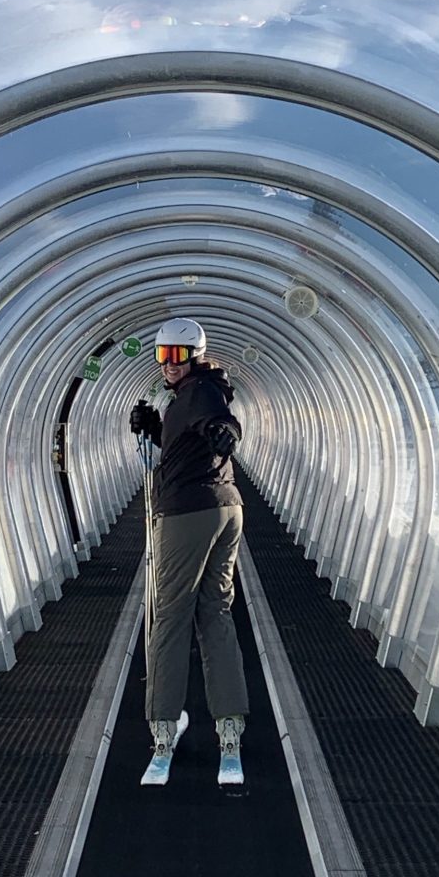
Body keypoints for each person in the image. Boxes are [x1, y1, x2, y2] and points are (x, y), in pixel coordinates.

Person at [129, 316, 249, 781]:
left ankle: (163, 725)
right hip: (226, 508)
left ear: (195, 356)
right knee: (215, 612)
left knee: (170, 617)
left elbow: (220, 424)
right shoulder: (193, 393)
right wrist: (156, 428)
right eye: (163, 356)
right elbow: (192, 439)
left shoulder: (201, 392)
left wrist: (228, 433)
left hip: (187, 513)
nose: (170, 365)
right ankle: (230, 725)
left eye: (178, 356)